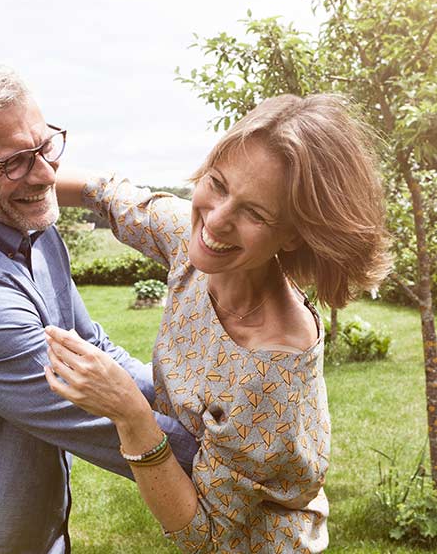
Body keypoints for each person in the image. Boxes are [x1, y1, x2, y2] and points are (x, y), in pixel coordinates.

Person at [43, 94, 392, 553]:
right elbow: (101, 191)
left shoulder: (273, 370)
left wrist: (131, 414)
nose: (218, 219)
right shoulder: (192, 246)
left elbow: (207, 536)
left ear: (293, 235)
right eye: (218, 184)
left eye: (255, 212)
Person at [0, 63, 198, 554]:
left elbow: (95, 353)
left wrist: (200, 411)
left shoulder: (32, 231)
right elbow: (100, 414)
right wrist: (244, 459)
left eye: (44, 147)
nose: (45, 174)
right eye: (14, 161)